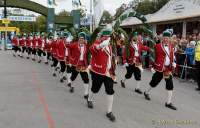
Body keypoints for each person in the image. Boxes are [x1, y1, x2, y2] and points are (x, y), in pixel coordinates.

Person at [143, 30, 177, 110]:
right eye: (164, 38)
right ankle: (146, 92)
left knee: (170, 84)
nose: (166, 39)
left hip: (167, 69)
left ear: (169, 39)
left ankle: (168, 103)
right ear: (162, 38)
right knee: (154, 82)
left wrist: (174, 62)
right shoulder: (157, 46)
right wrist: (151, 66)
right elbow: (153, 56)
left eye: (167, 38)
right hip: (159, 67)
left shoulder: (171, 46)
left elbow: (172, 55)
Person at [87, 29, 116, 122]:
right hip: (98, 71)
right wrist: (100, 45)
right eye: (105, 36)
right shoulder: (97, 43)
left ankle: (109, 111)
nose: (107, 38)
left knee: (110, 90)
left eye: (108, 36)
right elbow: (91, 49)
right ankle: (90, 99)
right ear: (101, 36)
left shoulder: (110, 46)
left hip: (108, 72)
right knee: (95, 89)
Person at [66, 32, 90, 99]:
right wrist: (68, 40)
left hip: (83, 64)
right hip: (76, 64)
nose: (81, 40)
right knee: (73, 77)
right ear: (78, 39)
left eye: (82, 38)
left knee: (86, 79)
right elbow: (67, 46)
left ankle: (86, 93)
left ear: (84, 39)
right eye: (80, 38)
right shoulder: (74, 44)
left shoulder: (86, 45)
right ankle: (72, 86)